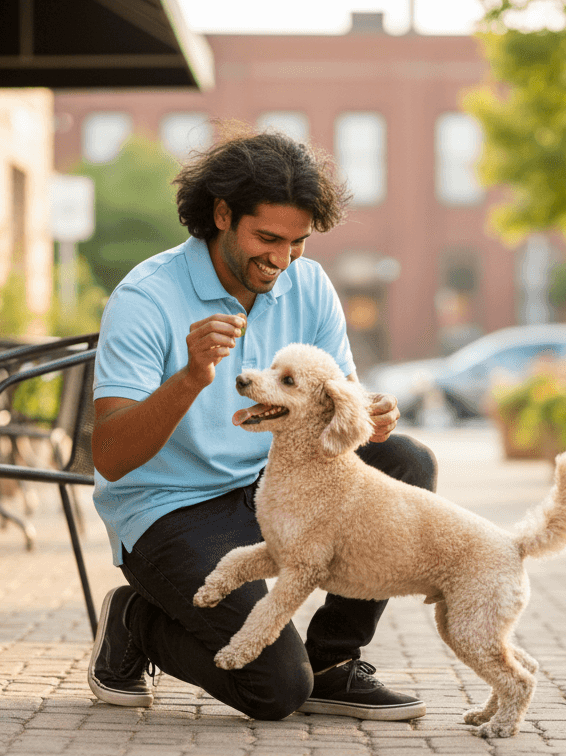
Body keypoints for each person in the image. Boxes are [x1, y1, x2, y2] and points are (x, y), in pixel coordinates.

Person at [87, 124, 437, 722]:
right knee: (274, 690)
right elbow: (111, 457)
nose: (282, 259)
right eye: (267, 238)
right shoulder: (147, 297)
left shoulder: (309, 283)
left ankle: (331, 663)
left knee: (405, 461)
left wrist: (368, 416)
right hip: (170, 509)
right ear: (221, 214)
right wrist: (191, 377)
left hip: (272, 483)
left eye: (297, 241)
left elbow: (338, 399)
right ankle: (136, 621)